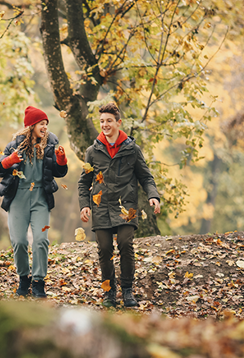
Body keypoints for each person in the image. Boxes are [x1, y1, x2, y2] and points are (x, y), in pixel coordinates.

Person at [78, 102, 161, 308]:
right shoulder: (93, 151)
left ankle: (127, 291)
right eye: (102, 121)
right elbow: (84, 182)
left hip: (126, 205)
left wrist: (153, 196)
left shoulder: (132, 149)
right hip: (101, 207)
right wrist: (84, 205)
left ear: (118, 122)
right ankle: (109, 293)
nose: (105, 125)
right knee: (104, 248)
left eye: (109, 121)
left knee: (125, 244)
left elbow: (146, 177)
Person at [0, 106, 68, 298]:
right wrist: (9, 161)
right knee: (19, 241)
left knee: (41, 240)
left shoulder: (51, 143)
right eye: (41, 124)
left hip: (40, 198)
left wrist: (61, 159)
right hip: (18, 197)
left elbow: (60, 172)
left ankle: (38, 281)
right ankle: (24, 278)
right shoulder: (14, 145)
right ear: (31, 126)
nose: (45, 127)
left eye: (46, 124)